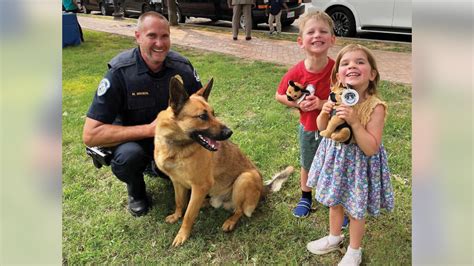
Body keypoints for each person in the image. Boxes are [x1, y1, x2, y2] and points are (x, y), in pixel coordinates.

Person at [82, 11, 202, 217]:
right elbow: (91, 135)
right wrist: (148, 130)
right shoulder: (120, 72)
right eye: (152, 36)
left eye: (165, 36)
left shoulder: (182, 67)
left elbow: (201, 106)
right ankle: (136, 191)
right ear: (137, 36)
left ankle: (163, 170)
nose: (160, 43)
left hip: (173, 142)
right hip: (137, 144)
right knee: (129, 157)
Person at [305, 44, 394, 265]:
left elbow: (371, 147)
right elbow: (322, 128)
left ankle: (354, 250)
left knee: (355, 209)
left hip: (359, 166)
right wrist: (324, 113)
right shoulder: (337, 98)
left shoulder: (376, 107)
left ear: (372, 74)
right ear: (338, 75)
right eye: (345, 63)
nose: (352, 66)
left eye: (360, 62)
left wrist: (354, 121)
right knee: (335, 202)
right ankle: (334, 237)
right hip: (336, 161)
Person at [275, 10, 335, 218]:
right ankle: (306, 197)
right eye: (311, 32)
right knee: (307, 163)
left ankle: (335, 200)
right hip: (309, 128)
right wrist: (298, 104)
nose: (317, 35)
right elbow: (279, 95)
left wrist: (320, 103)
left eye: (323, 31)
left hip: (334, 130)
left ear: (332, 39)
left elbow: (347, 100)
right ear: (301, 41)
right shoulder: (296, 72)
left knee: (334, 164)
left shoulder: (337, 71)